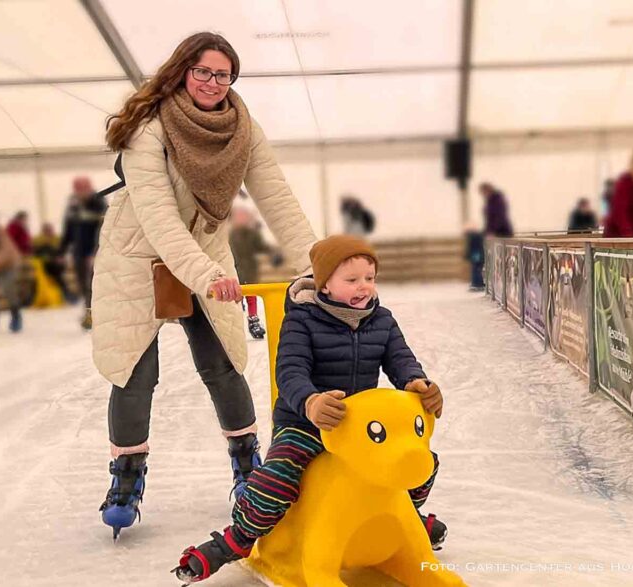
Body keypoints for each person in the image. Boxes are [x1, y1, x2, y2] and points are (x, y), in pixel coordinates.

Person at [93, 32, 318, 539]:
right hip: (136, 259)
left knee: (223, 363)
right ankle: (125, 479)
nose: (214, 83)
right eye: (204, 73)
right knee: (134, 371)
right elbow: (157, 217)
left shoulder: (242, 129)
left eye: (224, 74)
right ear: (182, 72)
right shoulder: (148, 130)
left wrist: (319, 262)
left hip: (206, 260)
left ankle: (248, 466)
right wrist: (209, 276)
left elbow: (276, 196)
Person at [174, 236, 446, 583]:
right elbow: (290, 371)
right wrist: (311, 401)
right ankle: (240, 537)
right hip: (305, 422)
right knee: (280, 475)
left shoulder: (383, 320)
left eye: (370, 278)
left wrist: (416, 382)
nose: (364, 287)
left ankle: (403, 514)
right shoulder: (303, 320)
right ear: (325, 283)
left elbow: (401, 359)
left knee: (422, 459)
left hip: (359, 426)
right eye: (352, 280)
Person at [60, 176, 107, 330]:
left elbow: (103, 230)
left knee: (94, 285)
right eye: (77, 189)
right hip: (78, 253)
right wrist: (62, 251)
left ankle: (96, 315)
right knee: (83, 285)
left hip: (95, 253)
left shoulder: (99, 202)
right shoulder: (73, 205)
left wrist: (95, 253)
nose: (79, 192)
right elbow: (68, 229)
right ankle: (89, 313)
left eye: (82, 188)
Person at [228, 204, 280, 339]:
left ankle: (253, 322)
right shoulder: (228, 237)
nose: (244, 219)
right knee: (235, 300)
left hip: (249, 271)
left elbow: (262, 246)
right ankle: (234, 328)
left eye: (245, 217)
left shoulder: (252, 235)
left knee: (251, 298)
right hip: (234, 273)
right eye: (240, 217)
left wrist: (273, 254)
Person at [33, 222, 76, 303]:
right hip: (45, 266)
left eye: (51, 230)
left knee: (59, 272)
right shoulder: (41, 243)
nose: (51, 232)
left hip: (56, 265)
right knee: (58, 273)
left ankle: (67, 293)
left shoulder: (56, 240)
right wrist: (53, 259)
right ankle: (67, 294)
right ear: (44, 231)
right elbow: (39, 255)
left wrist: (60, 258)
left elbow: (61, 252)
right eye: (48, 230)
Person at [464, 223, 485, 290]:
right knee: (477, 269)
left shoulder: (473, 236)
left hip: (476, 254)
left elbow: (471, 247)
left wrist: (467, 255)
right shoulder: (478, 235)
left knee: (475, 269)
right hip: (478, 254)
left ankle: (477, 284)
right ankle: (478, 283)